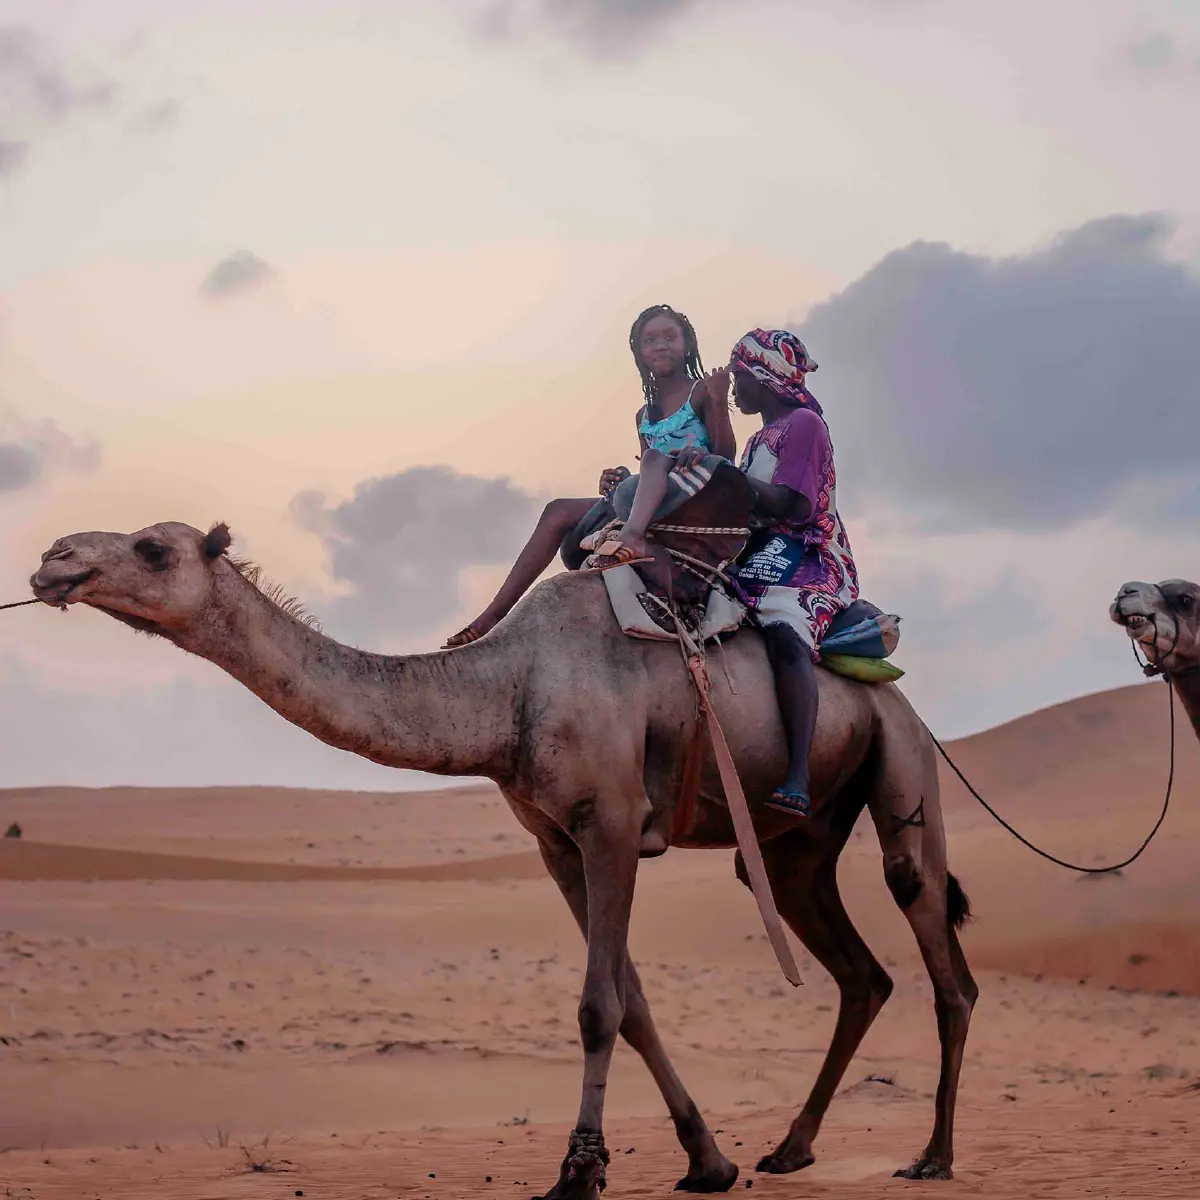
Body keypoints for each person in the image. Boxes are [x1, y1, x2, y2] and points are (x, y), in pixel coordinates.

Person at [442, 304, 733, 647]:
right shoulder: (644, 414)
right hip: (657, 499)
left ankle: (633, 537)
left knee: (654, 458)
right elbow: (646, 472)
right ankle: (492, 616)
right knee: (557, 510)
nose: (660, 345)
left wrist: (717, 399)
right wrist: (620, 479)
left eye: (670, 337)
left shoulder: (700, 392)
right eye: (650, 340)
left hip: (693, 497)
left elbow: (726, 457)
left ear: (687, 345)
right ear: (639, 353)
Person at [727, 328, 859, 818]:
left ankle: (799, 775)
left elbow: (794, 504)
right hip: (757, 553)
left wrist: (728, 479)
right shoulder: (758, 437)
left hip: (807, 557)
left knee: (785, 632)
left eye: (741, 377)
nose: (736, 387)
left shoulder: (804, 424)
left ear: (765, 378)